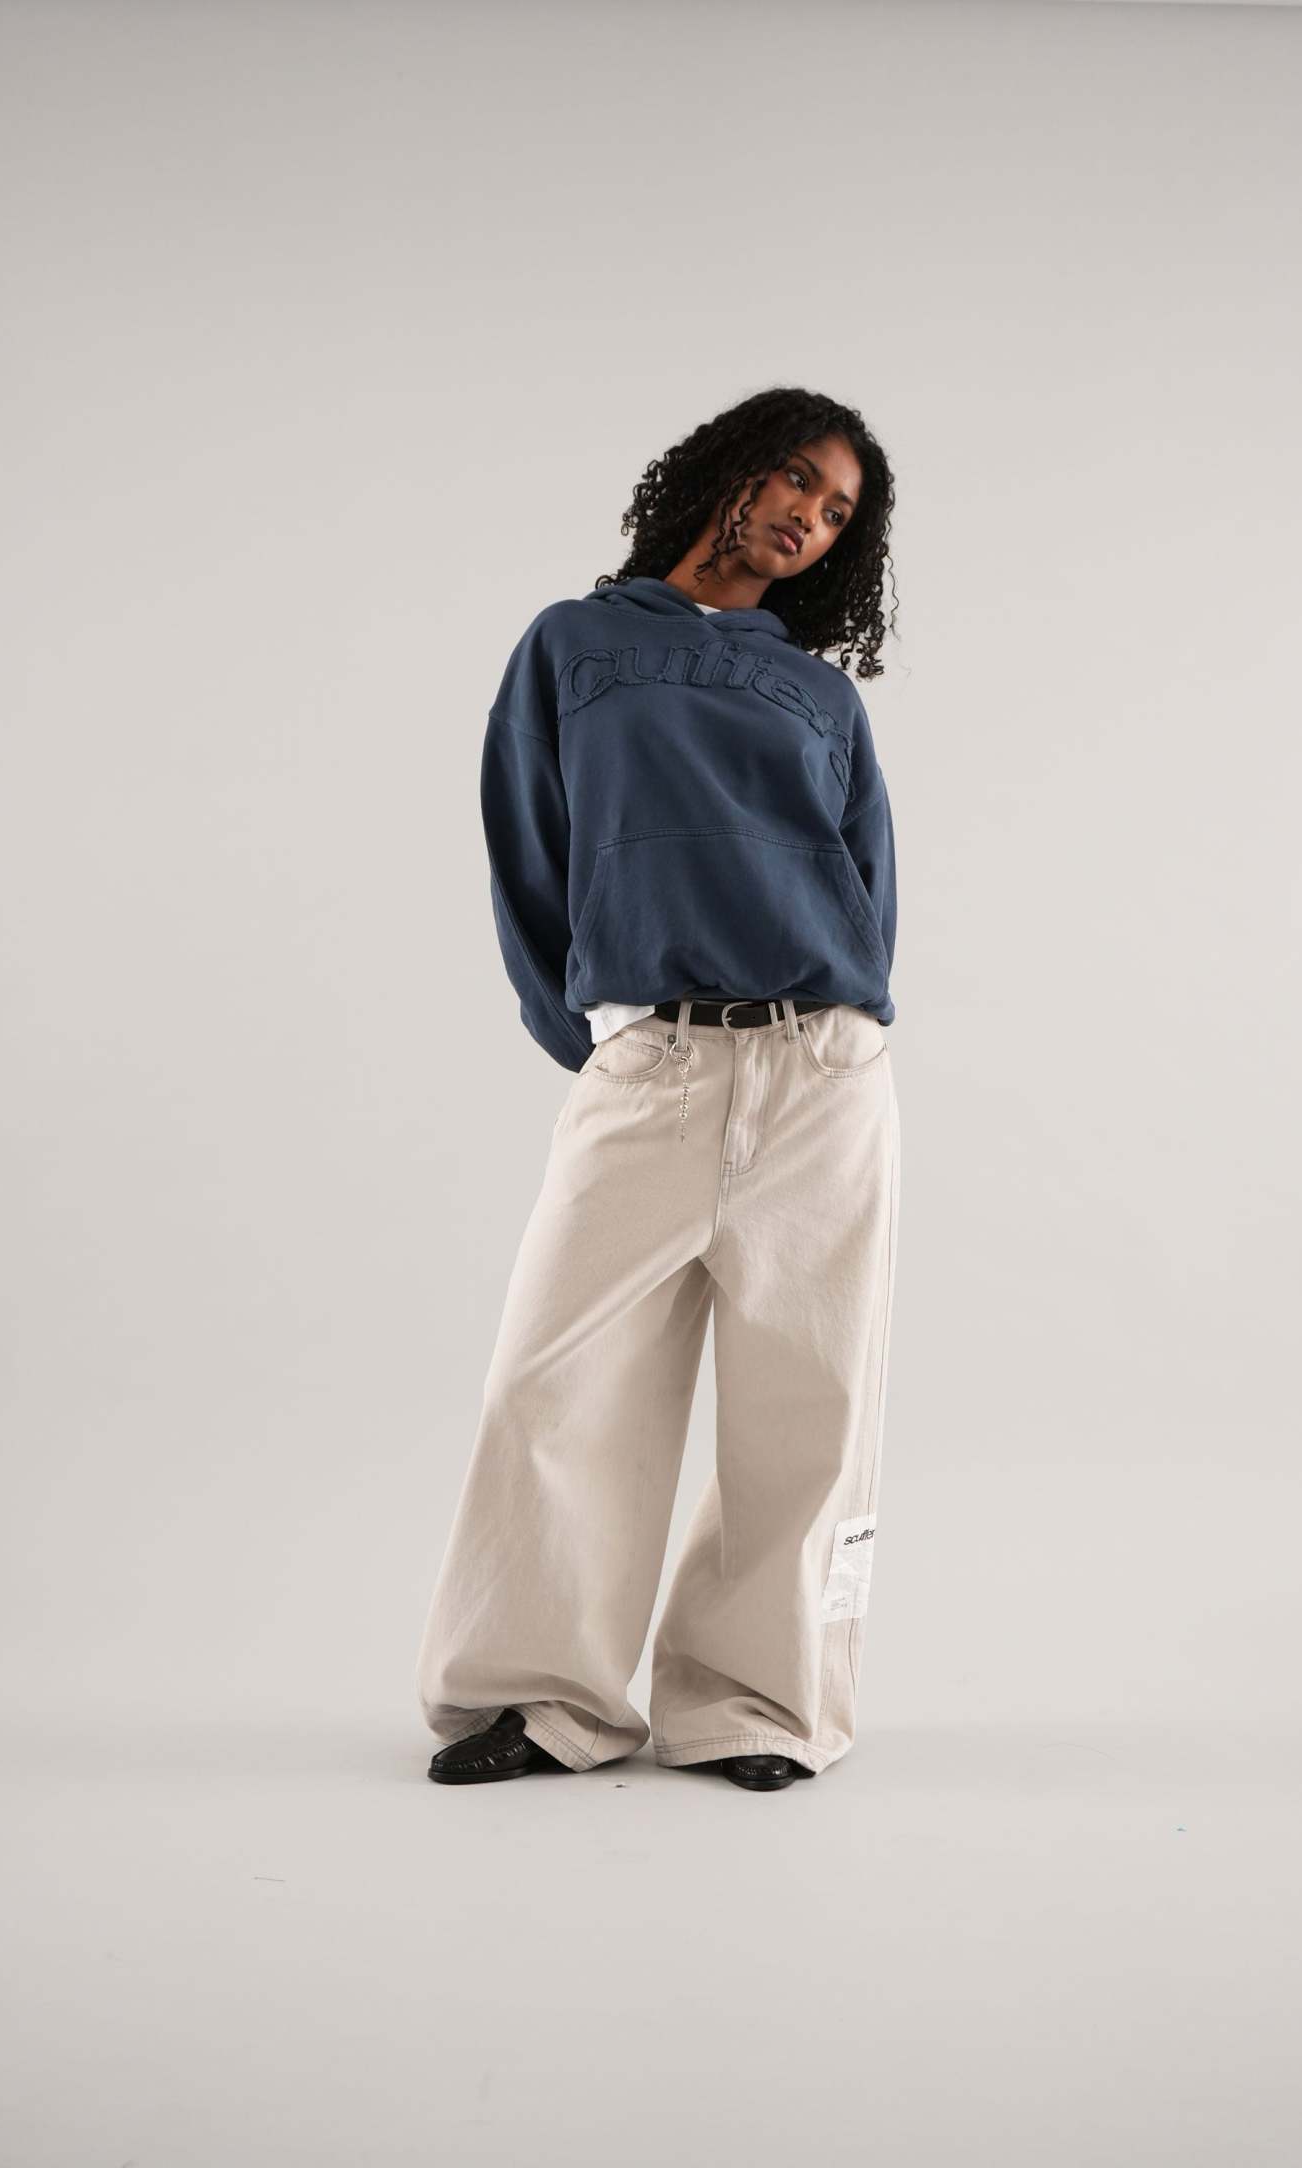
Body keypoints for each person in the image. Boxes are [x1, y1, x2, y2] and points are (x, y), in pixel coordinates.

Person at [415, 386, 901, 1793]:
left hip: (820, 1070)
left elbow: (868, 894)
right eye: (796, 478)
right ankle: (541, 1699)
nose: (809, 517)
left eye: (838, 511)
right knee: (554, 1379)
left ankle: (757, 1704)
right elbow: (529, 856)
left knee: (807, 1401)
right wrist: (608, 1044)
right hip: (653, 1059)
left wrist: (835, 1028)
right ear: (729, 469)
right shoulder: (573, 645)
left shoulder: (821, 694)